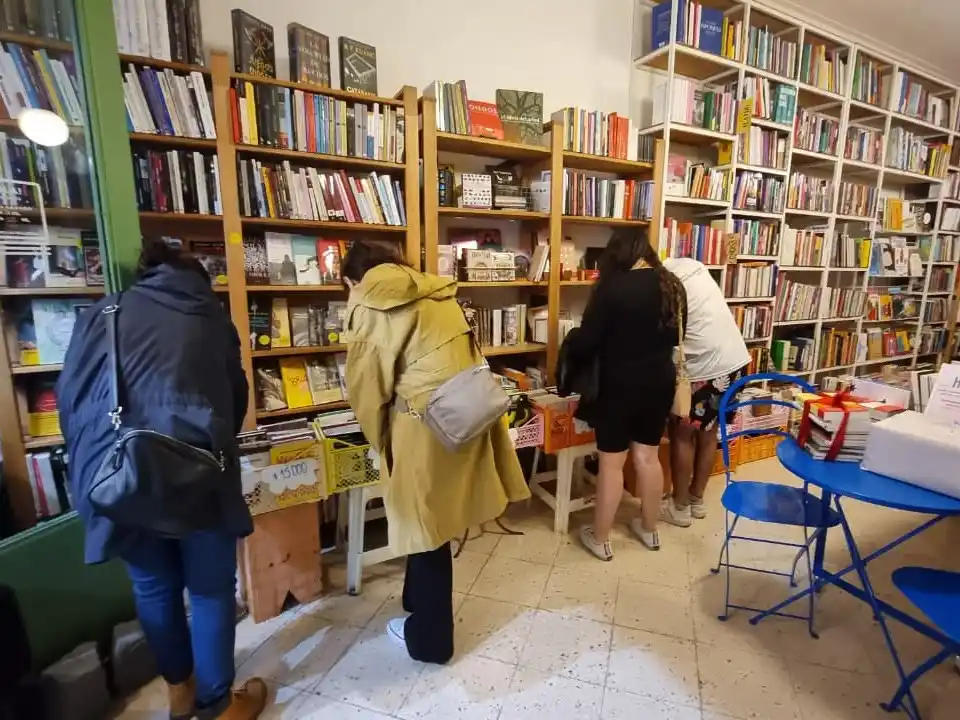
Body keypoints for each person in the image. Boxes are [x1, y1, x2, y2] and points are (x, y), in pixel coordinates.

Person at [56, 240, 264, 720]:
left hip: (116, 473)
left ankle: (180, 689)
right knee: (211, 589)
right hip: (196, 472)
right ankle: (217, 705)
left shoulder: (101, 313)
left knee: (153, 587)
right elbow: (235, 398)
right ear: (196, 278)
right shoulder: (207, 315)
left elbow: (70, 400)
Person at [342, 240, 529, 664]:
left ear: (352, 279)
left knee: (424, 527)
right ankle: (414, 601)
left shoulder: (368, 304)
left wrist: (379, 442)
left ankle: (430, 641)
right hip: (464, 416)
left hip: (419, 426)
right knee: (433, 519)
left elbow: (367, 390)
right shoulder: (437, 291)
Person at [566, 231, 686, 559]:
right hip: (659, 382)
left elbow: (588, 341)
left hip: (616, 385)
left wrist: (571, 342)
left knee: (612, 463)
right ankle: (650, 530)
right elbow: (678, 336)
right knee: (647, 457)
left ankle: (600, 538)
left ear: (617, 254)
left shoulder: (613, 288)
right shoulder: (671, 285)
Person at [662, 257, 750, 526]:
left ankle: (679, 507)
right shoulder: (694, 267)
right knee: (710, 432)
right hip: (737, 362)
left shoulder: (664, 284)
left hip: (704, 371)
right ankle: (696, 499)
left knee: (683, 434)